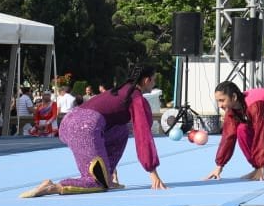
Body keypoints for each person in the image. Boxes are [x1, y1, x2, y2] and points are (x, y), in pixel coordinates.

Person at [19, 65, 167, 197]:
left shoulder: (120, 91)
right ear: (146, 80)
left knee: (121, 129)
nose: (154, 84)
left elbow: (121, 129)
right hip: (84, 128)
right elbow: (143, 135)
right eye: (153, 80)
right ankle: (53, 186)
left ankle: (107, 175)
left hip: (70, 123)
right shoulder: (136, 98)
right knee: (96, 183)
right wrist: (152, 172)